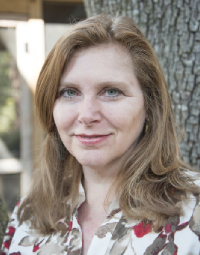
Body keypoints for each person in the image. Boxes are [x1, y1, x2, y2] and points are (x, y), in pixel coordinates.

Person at [1, 14, 200, 255]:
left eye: (111, 91)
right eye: (69, 92)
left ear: (150, 105)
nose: (86, 115)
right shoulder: (28, 216)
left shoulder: (193, 212)